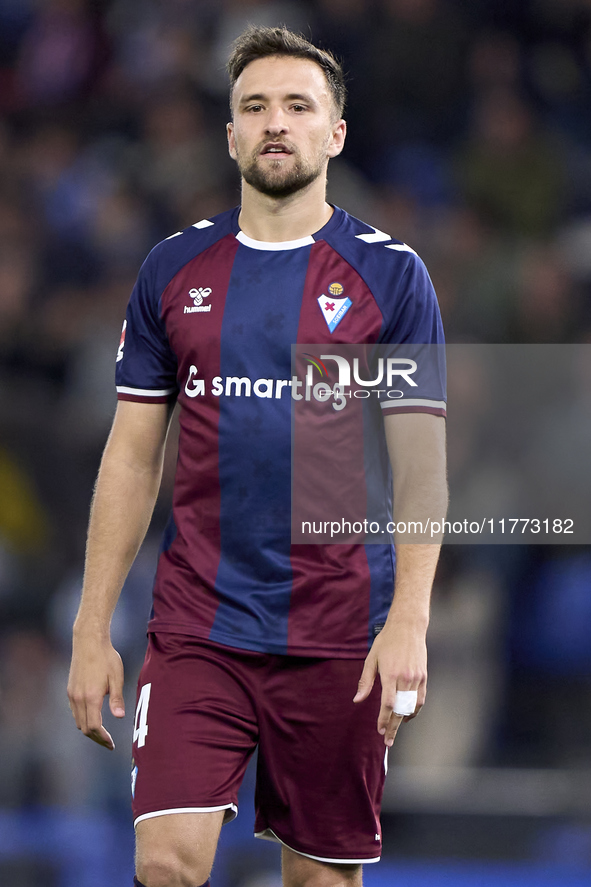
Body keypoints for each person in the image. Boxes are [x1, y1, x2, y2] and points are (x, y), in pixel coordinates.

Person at [67, 25, 447, 887]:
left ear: (334, 132)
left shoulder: (390, 277)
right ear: (230, 134)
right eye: (255, 107)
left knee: (318, 878)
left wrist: (410, 622)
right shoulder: (173, 270)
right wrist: (92, 628)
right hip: (200, 620)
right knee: (167, 860)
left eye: (297, 106)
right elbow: (131, 457)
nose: (276, 122)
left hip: (340, 629)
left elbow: (421, 466)